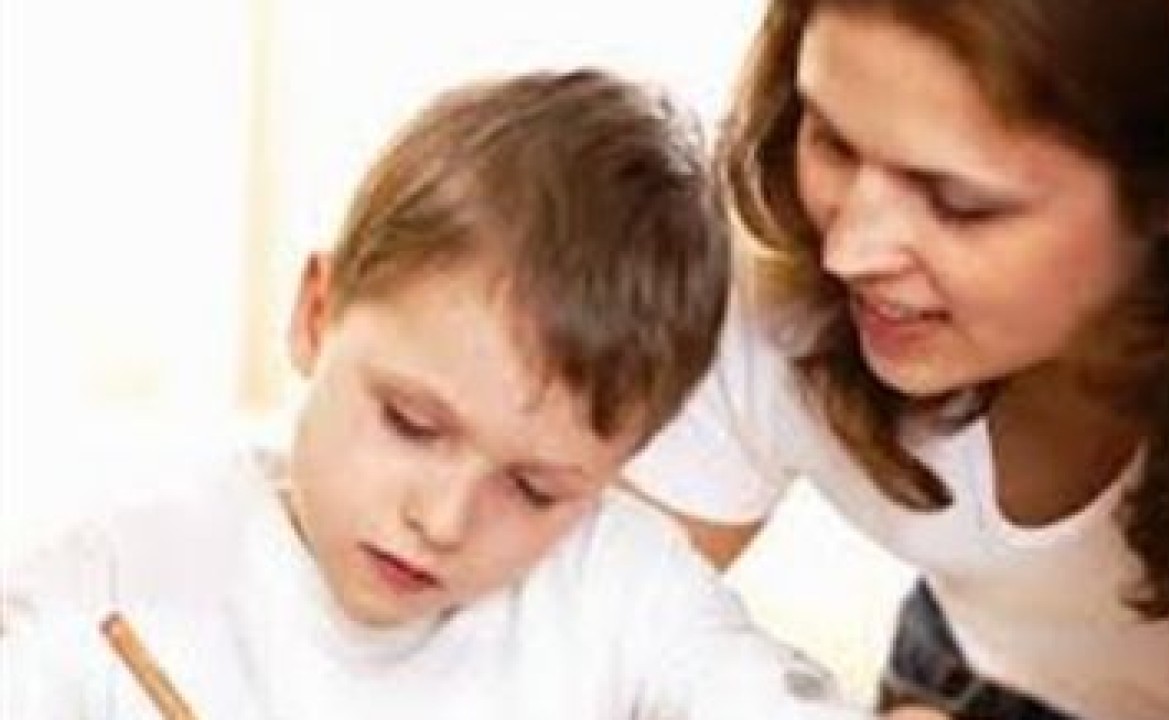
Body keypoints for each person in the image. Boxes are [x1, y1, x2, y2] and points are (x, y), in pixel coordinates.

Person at [1, 69, 869, 720]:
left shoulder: (622, 591)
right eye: (411, 424)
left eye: (535, 488)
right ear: (316, 314)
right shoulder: (115, 583)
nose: (445, 521)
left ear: (622, 460)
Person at [626, 1, 1169, 718]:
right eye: (833, 142)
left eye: (958, 202)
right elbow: (587, 623)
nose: (848, 253)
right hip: (968, 673)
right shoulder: (771, 296)